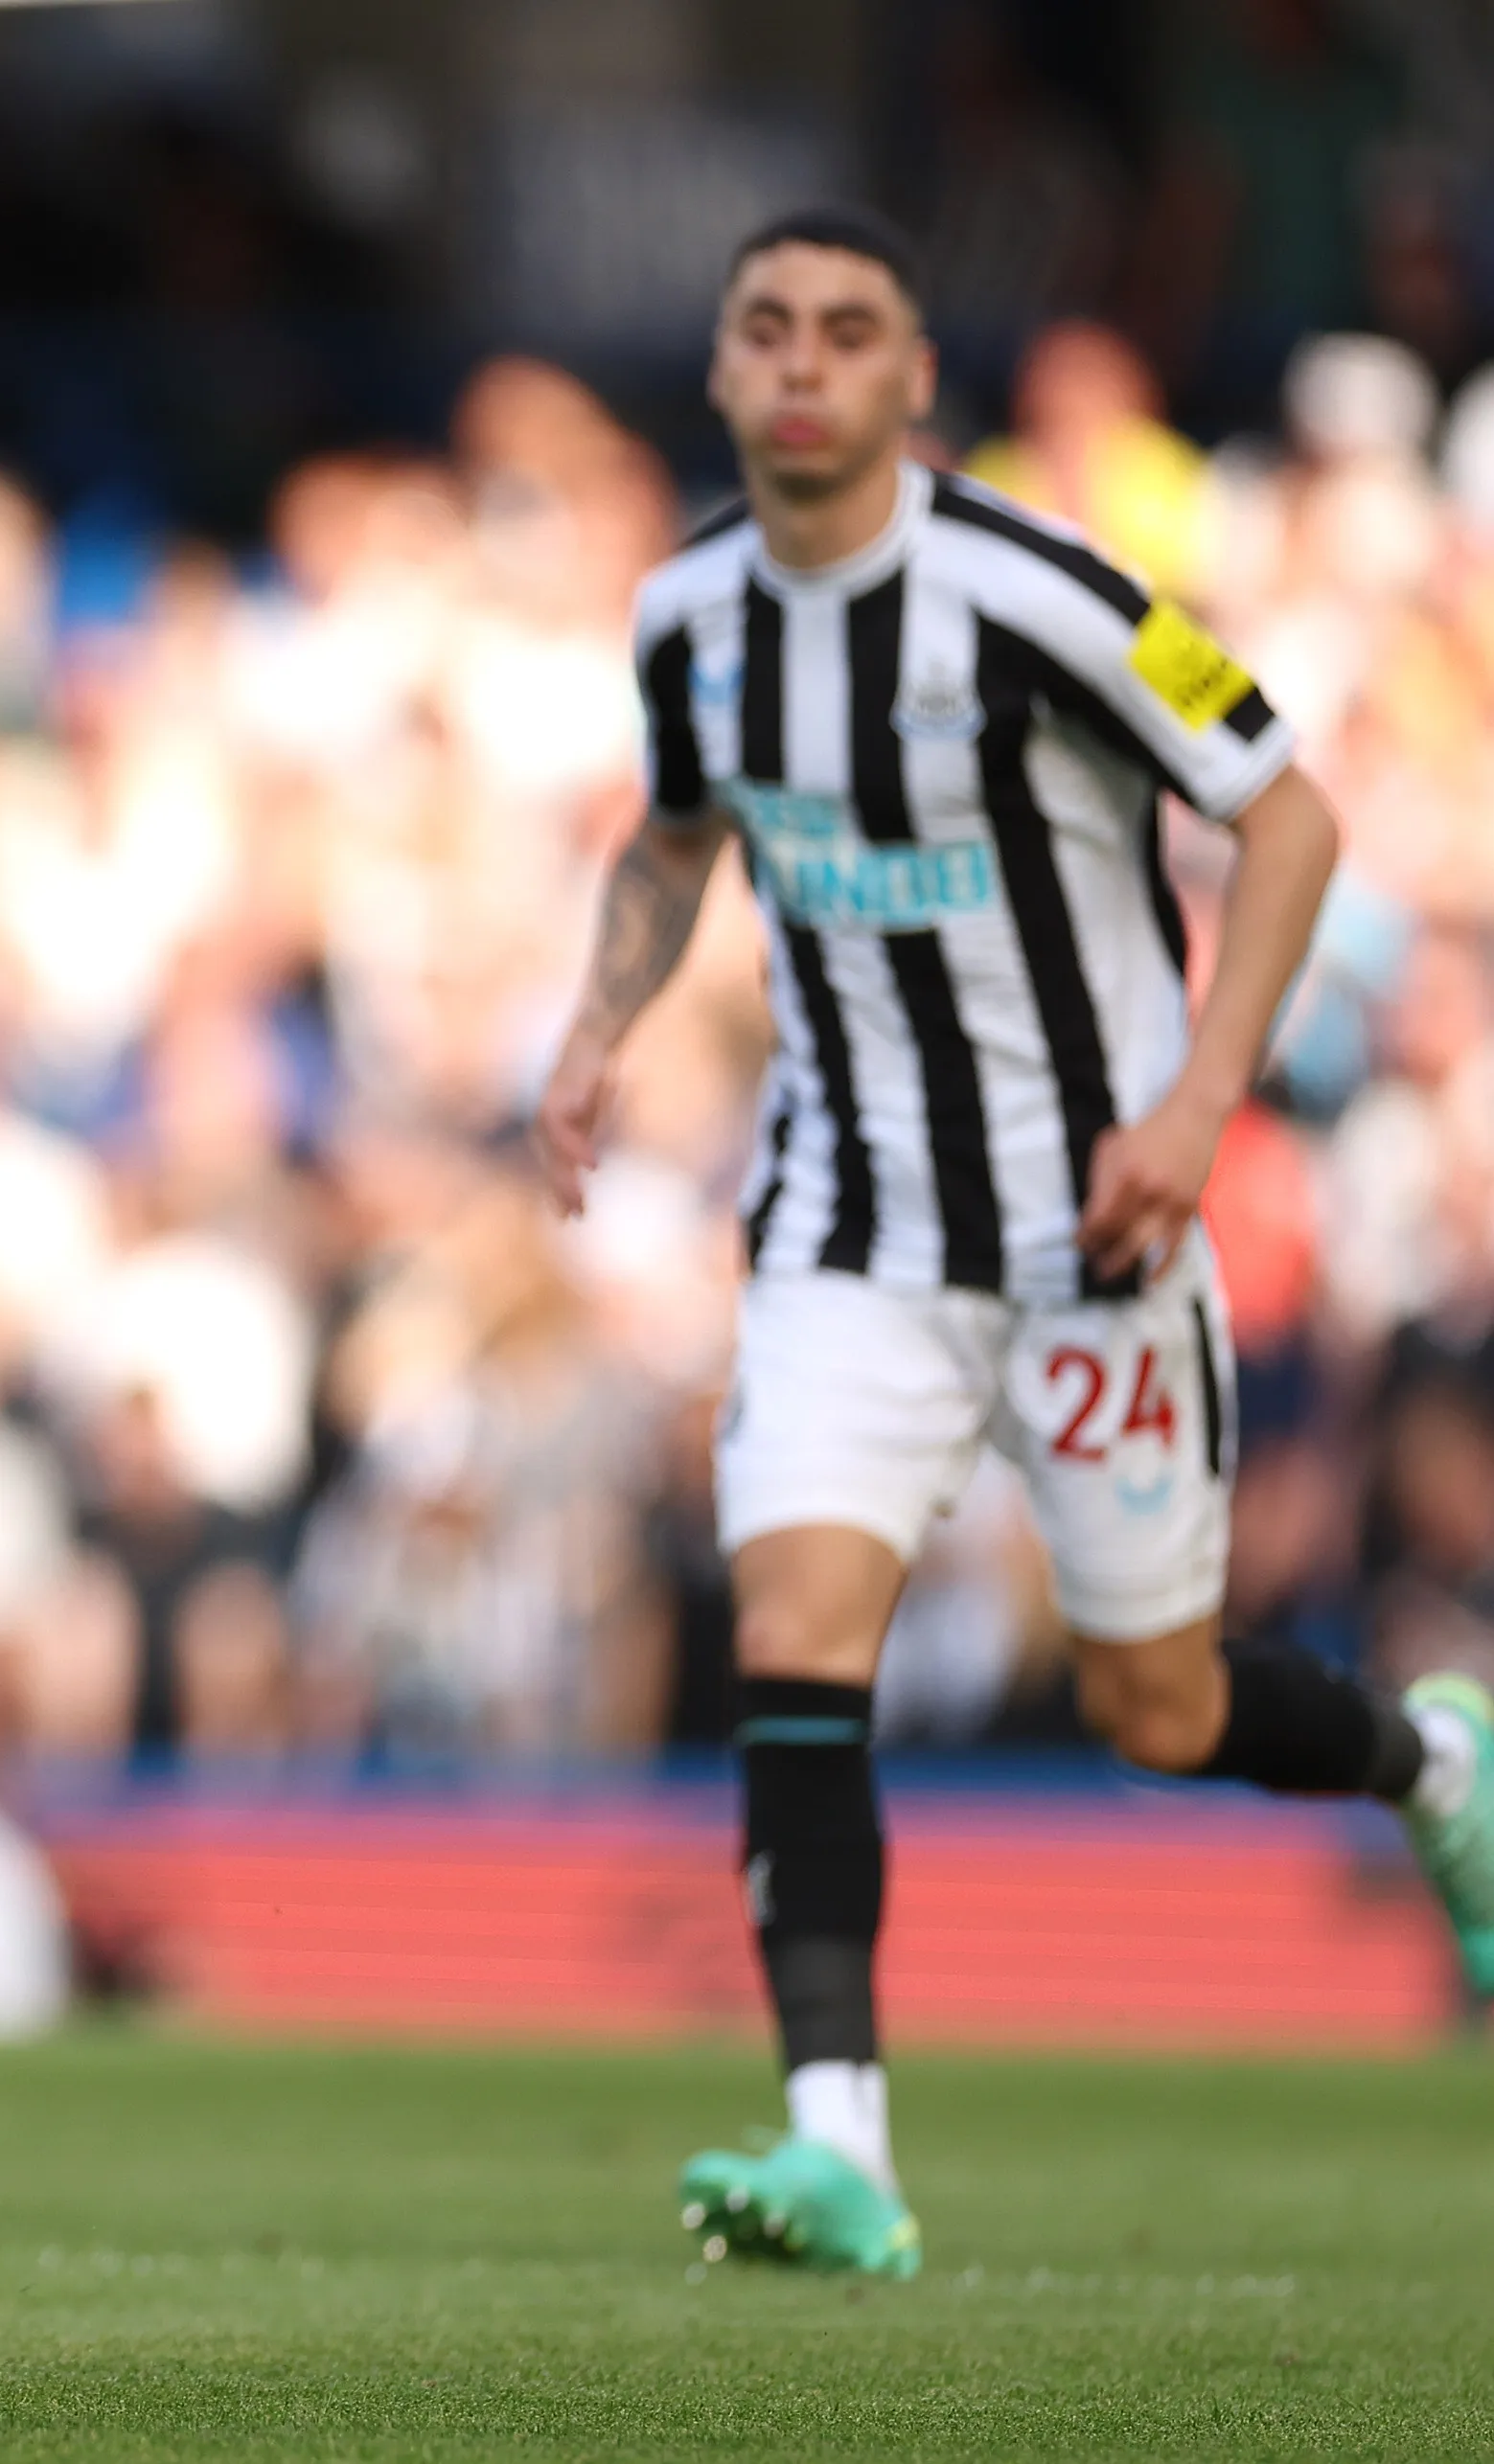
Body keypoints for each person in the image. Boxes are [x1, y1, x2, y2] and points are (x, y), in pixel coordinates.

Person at [536, 205, 1494, 2280]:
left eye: (847, 330)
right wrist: (600, 1024)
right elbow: (679, 836)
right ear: (720, 368)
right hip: (847, 1222)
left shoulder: (1048, 591)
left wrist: (1201, 1101)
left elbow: (1290, 807)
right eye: (766, 326)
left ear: (911, 380)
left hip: (1094, 1226)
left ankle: (1432, 1761)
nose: (803, 362)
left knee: (1161, 1706)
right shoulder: (687, 613)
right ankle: (840, 2144)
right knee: (798, 1629)